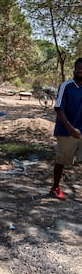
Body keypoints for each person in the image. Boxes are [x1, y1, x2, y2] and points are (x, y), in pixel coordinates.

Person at [51, 57, 82, 200]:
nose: (81, 71)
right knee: (61, 160)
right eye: (79, 68)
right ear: (74, 70)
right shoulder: (66, 86)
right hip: (66, 131)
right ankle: (55, 187)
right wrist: (70, 129)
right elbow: (58, 108)